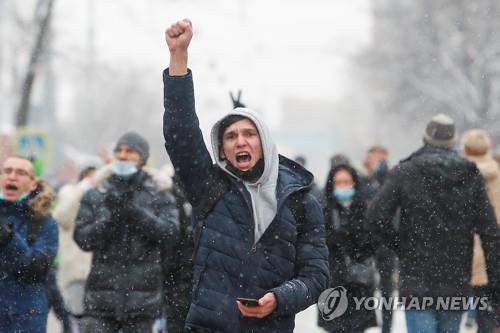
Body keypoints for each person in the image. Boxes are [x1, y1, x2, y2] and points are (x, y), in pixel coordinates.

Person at [163, 18, 329, 333]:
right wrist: (178, 59)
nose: (241, 141)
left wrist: (278, 299)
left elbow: (317, 276)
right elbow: (180, 133)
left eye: (249, 134)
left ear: (264, 142)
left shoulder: (300, 201)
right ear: (222, 149)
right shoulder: (209, 187)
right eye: (231, 136)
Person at [366, 114, 500, 333]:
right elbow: (490, 232)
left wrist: (401, 245)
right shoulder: (469, 174)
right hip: (456, 278)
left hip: (417, 277)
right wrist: (495, 288)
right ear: (453, 141)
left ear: (425, 138)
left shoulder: (405, 172)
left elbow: (375, 217)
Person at [74, 132, 179, 333]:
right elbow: (83, 238)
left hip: (142, 305)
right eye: (118, 151)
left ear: (142, 159)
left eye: (130, 151)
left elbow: (170, 234)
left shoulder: (159, 193)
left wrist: (135, 213)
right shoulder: (97, 193)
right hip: (100, 305)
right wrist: (110, 220)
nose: (122, 156)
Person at [0, 156, 58, 333]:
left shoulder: (44, 222)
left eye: (21, 172)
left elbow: (37, 268)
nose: (12, 177)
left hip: (25, 318)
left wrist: (9, 239)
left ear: (33, 184)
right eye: (7, 171)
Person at [319, 164, 377, 332]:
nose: (343, 186)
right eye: (339, 182)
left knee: (358, 326)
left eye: (347, 182)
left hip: (360, 281)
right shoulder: (324, 209)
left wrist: (354, 236)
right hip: (333, 281)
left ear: (354, 183)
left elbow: (373, 241)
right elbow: (319, 242)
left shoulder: (365, 208)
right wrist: (338, 237)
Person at [462, 129, 500, 333]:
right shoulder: (497, 170)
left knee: (479, 302)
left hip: (471, 246)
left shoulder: (461, 174)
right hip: (495, 245)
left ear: (465, 149)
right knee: (491, 309)